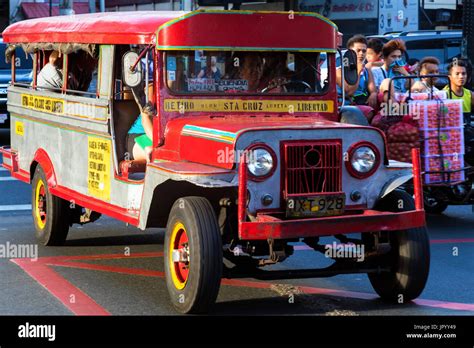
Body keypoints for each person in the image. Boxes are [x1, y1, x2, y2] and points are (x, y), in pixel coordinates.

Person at [336, 35, 378, 109]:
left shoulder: (367, 71)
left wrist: (373, 94)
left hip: (363, 103)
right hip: (346, 107)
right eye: (358, 50)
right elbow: (350, 92)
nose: (361, 53)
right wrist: (358, 71)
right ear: (349, 52)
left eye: (364, 51)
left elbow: (373, 90)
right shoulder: (339, 71)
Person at [126, 83, 155, 162]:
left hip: (163, 138)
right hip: (140, 135)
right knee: (154, 153)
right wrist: (158, 144)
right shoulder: (152, 88)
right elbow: (145, 119)